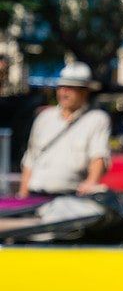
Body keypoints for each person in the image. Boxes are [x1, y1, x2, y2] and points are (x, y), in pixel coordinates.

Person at [18, 62, 111, 197]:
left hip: (68, 197)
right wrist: (23, 194)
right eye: (61, 87)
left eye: (71, 87)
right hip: (35, 194)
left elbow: (98, 156)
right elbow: (30, 159)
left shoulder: (96, 119)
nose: (64, 92)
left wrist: (91, 183)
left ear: (85, 91)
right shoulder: (44, 117)